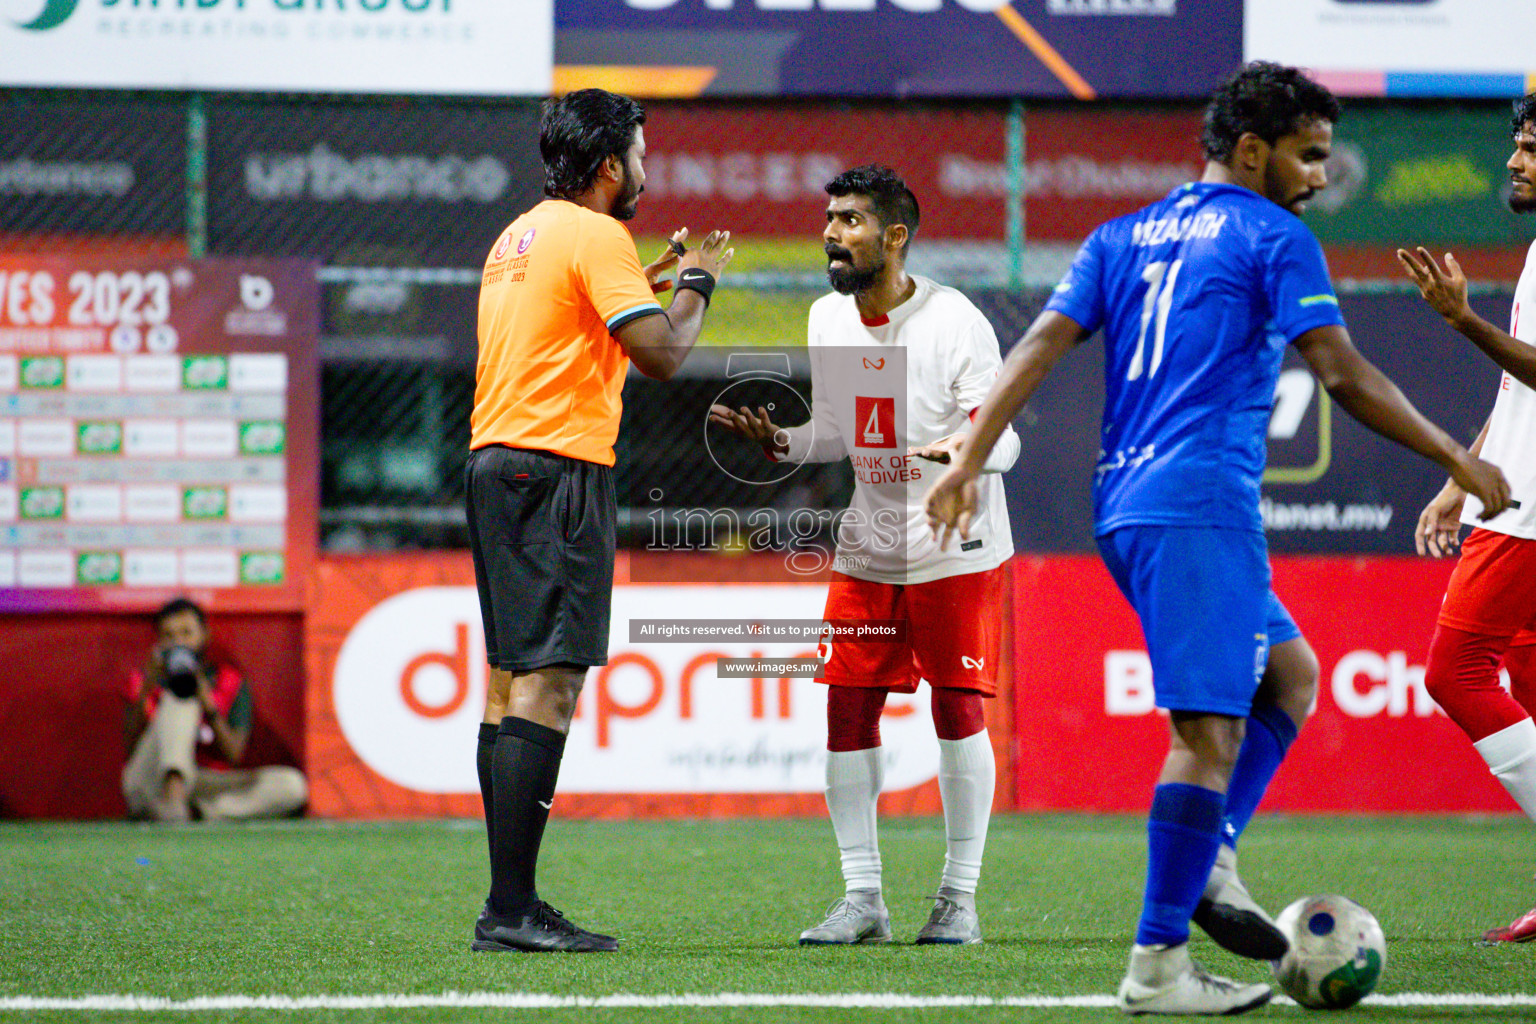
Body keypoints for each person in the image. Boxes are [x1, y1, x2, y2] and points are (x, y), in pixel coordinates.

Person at [924, 62, 1511, 1014]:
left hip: (1125, 503)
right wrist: (1459, 455)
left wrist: (969, 456)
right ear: (1252, 151)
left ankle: (1213, 857)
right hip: (1200, 503)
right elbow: (1344, 374)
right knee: (1208, 730)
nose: (1320, 178)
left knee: (1289, 675)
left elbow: (1035, 344)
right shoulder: (1273, 235)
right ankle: (1158, 963)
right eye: (1310, 157)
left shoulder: (1121, 235)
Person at [710, 165, 1020, 947]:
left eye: (849, 220)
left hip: (957, 543)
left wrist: (961, 449)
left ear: (895, 237)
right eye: (830, 219)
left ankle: (958, 898)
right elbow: (844, 434)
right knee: (845, 711)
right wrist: (785, 440)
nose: (831, 232)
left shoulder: (956, 322)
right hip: (871, 542)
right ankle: (863, 899)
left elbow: (1005, 436)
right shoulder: (827, 317)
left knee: (956, 711)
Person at [467, 88, 732, 953]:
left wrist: (646, 286)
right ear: (612, 165)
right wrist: (695, 287)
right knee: (551, 681)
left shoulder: (520, 234)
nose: (648, 171)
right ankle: (511, 910)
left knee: (510, 679)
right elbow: (662, 355)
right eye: (643, 154)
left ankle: (508, 900)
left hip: (496, 463)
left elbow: (565, 333)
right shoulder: (597, 233)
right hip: (558, 469)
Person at [1396, 92, 1536, 945]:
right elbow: (1521, 386)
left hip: (1531, 513)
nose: (1515, 161)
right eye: (1516, 145)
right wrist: (1464, 468)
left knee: (1456, 672)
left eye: (1530, 148)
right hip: (1512, 489)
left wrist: (1462, 321)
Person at [121, 597, 307, 822]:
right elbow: (130, 747)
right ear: (159, 642)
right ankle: (172, 797)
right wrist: (148, 687)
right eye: (168, 636)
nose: (178, 642)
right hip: (151, 779)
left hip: (203, 781)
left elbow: (233, 755)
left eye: (186, 633)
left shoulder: (228, 681)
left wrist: (207, 704)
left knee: (292, 785)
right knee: (180, 699)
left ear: (204, 635)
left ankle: (198, 813)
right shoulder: (142, 681)